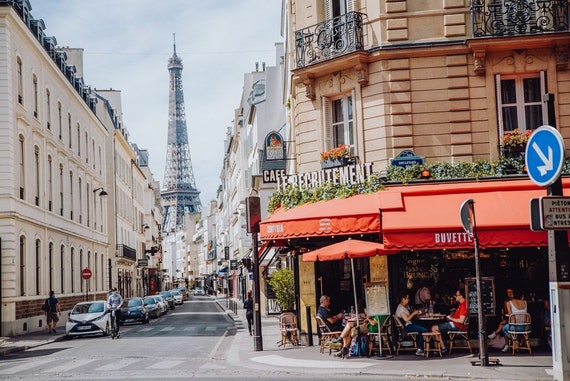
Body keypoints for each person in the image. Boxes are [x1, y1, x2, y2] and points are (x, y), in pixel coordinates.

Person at [431, 288, 467, 354]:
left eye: (456, 295)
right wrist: (452, 316)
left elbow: (461, 320)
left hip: (457, 326)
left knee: (434, 328)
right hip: (455, 324)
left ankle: (442, 348)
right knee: (437, 325)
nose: (455, 296)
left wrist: (451, 319)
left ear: (461, 296)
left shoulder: (463, 305)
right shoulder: (461, 304)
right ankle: (437, 348)